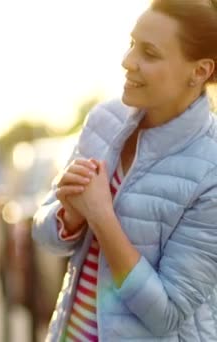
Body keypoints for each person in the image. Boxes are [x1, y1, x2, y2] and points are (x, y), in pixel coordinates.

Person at [32, 0, 217, 340]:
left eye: (149, 52)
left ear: (200, 71)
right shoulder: (104, 120)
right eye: (132, 44)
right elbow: (45, 234)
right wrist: (68, 216)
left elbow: (167, 314)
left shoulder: (212, 168)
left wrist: (101, 216)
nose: (127, 62)